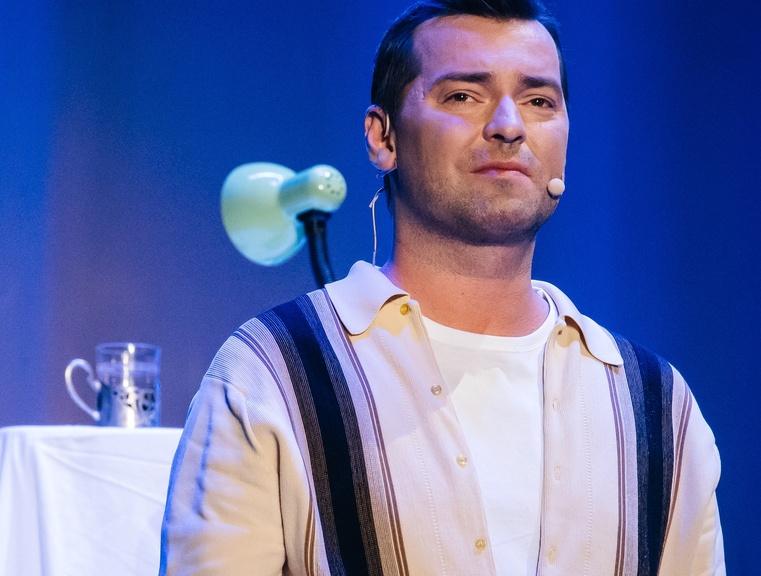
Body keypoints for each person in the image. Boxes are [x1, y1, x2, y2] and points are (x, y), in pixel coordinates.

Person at [160, 0, 725, 574]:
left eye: (539, 101)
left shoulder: (656, 403)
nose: (509, 125)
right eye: (463, 96)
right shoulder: (270, 374)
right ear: (383, 137)